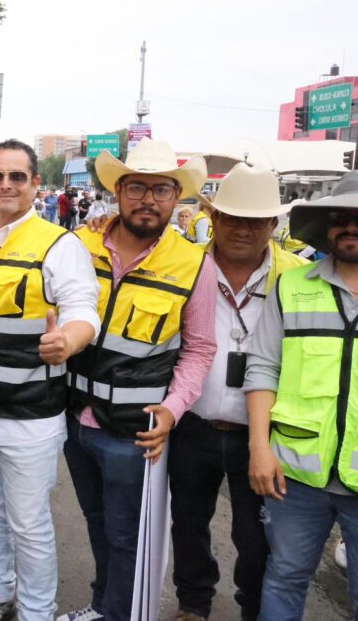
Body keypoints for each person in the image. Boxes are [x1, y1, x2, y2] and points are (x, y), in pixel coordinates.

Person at [58, 139, 217, 621]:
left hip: (135, 430)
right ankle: (102, 602)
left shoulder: (194, 264)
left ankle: (119, 613)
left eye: (161, 190)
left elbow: (200, 348)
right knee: (96, 521)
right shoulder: (77, 245)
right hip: (75, 419)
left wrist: (172, 409)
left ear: (176, 197)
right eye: (137, 189)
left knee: (128, 534)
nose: (148, 200)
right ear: (119, 192)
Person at [0, 140, 99, 621]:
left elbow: (83, 311)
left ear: (35, 183)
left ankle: (36, 611)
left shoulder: (59, 244)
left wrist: (67, 341)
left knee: (29, 524)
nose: (5, 185)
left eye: (17, 176)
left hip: (30, 410)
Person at [167, 163, 305, 621]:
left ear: (274, 224)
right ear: (214, 217)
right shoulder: (185, 265)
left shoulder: (298, 277)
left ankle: (254, 608)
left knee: (256, 536)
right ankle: (193, 604)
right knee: (188, 523)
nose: (243, 230)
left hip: (263, 436)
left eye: (256, 221)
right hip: (193, 424)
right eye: (232, 218)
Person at [245, 170, 358, 620]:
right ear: (327, 226)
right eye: (340, 217)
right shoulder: (292, 287)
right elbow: (262, 368)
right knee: (284, 577)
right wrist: (259, 449)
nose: (350, 226)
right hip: (295, 475)